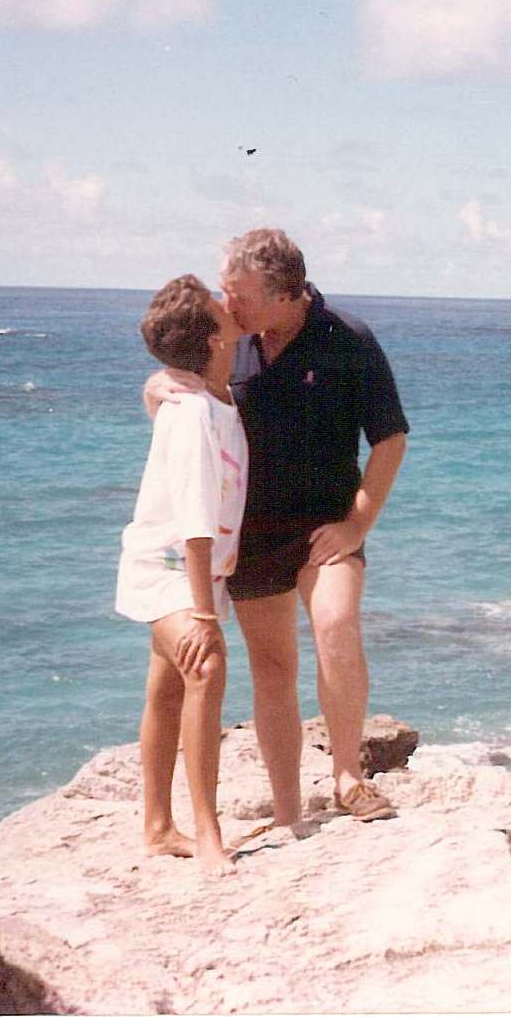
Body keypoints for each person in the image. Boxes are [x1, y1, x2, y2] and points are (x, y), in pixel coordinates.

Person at [146, 228, 408, 827]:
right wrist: (154, 387)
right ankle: (290, 813)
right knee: (272, 669)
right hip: (251, 532)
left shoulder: (349, 341)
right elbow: (181, 401)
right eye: (223, 290)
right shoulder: (228, 341)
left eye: (236, 293)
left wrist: (357, 523)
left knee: (336, 622)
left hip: (325, 525)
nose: (224, 303)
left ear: (285, 294)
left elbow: (390, 438)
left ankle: (348, 776)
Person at [115, 274, 247, 874]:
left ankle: (158, 828)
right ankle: (208, 835)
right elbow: (195, 521)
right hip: (169, 568)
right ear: (215, 338)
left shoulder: (212, 398)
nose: (231, 311)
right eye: (222, 311)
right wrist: (204, 613)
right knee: (206, 666)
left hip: (195, 568)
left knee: (167, 686)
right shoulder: (192, 410)